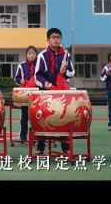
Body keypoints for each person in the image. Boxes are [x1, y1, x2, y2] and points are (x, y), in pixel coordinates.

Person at [33, 28, 74, 156]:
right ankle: (40, 146)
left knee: (64, 118)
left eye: (58, 37)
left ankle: (65, 147)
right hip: (46, 92)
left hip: (61, 92)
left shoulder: (66, 55)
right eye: (53, 37)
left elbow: (71, 72)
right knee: (43, 119)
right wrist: (45, 83)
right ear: (48, 40)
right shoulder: (42, 55)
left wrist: (64, 72)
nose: (56, 39)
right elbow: (37, 75)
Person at [14, 46, 38, 141]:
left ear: (36, 55)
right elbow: (16, 78)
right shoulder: (22, 65)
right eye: (29, 53)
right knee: (24, 118)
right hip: (25, 95)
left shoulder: (39, 65)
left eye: (33, 53)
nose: (31, 55)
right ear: (26, 55)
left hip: (37, 94)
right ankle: (23, 137)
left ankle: (37, 137)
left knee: (37, 117)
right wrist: (21, 81)